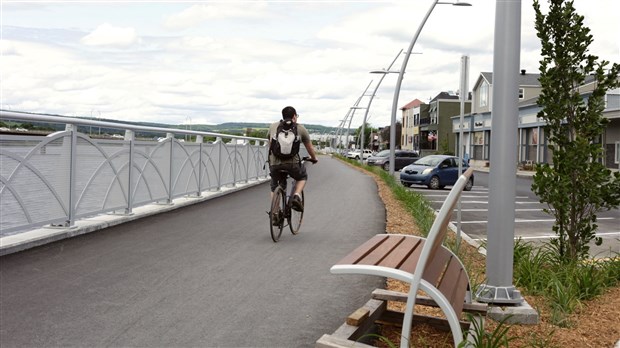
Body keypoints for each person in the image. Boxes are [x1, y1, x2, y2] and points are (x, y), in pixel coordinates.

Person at [268, 106, 318, 212]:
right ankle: (296, 195)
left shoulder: (273, 126)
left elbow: (270, 144)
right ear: (294, 116)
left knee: (274, 185)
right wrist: (314, 158)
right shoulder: (300, 128)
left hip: (274, 163)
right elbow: (310, 148)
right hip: (292, 164)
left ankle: (275, 213)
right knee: (302, 176)